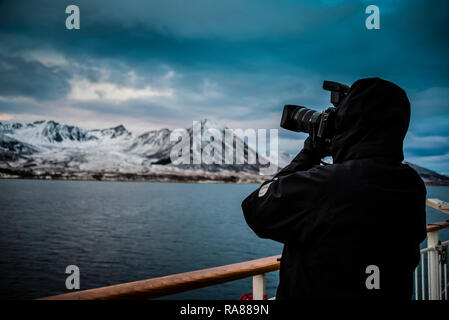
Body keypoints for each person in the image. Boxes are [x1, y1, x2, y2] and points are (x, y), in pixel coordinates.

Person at [242, 78, 427, 300]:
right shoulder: (411, 185)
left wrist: (310, 153)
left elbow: (256, 210)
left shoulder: (328, 185)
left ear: (349, 122)